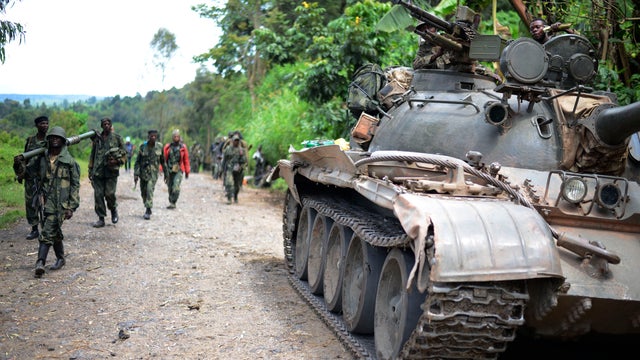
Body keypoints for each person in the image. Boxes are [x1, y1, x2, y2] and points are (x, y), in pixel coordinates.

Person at [25, 126, 80, 277]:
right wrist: (19, 164)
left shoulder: (69, 162)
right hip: (46, 203)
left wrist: (71, 207)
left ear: (63, 141)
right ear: (48, 140)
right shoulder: (41, 159)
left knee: (47, 231)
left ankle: (40, 263)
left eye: (58, 137)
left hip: (61, 205)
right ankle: (61, 258)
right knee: (53, 230)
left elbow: (75, 186)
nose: (54, 139)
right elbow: (27, 173)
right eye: (52, 137)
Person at [13, 115, 49, 240]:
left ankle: (47, 228)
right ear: (36, 126)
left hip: (46, 177)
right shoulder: (30, 140)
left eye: (46, 123)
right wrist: (20, 172)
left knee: (48, 202)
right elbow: (25, 158)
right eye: (42, 123)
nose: (44, 125)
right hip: (31, 176)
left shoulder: (51, 140)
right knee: (31, 204)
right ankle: (34, 229)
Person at [88, 117, 126, 228]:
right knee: (98, 195)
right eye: (104, 124)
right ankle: (101, 218)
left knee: (109, 194)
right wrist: (90, 170)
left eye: (108, 124)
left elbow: (124, 155)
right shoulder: (97, 139)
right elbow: (93, 155)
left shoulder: (117, 138)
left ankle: (113, 209)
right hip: (98, 172)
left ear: (111, 125)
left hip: (111, 172)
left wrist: (117, 161)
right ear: (101, 126)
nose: (106, 126)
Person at [134, 130, 168, 220]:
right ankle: (147, 205)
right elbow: (137, 162)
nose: (153, 137)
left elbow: (163, 161)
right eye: (151, 136)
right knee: (143, 192)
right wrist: (136, 174)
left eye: (155, 136)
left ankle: (148, 209)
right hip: (143, 173)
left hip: (153, 174)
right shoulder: (142, 147)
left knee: (149, 189)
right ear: (148, 137)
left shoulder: (159, 147)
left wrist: (166, 174)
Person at [163, 129, 190, 209]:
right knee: (170, 187)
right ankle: (171, 201)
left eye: (177, 136)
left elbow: (186, 160)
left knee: (176, 187)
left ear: (179, 137)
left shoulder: (183, 147)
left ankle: (173, 202)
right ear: (172, 137)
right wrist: (162, 168)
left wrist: (187, 171)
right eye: (175, 136)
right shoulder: (168, 147)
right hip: (169, 169)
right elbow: (163, 159)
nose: (176, 138)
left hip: (179, 170)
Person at [221, 134, 247, 204]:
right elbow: (224, 160)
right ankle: (229, 198)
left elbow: (244, 160)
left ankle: (235, 196)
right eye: (235, 141)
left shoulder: (241, 150)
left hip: (238, 170)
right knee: (229, 183)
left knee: (237, 185)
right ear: (232, 141)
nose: (236, 142)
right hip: (230, 168)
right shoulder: (228, 149)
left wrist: (241, 166)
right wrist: (222, 169)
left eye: (237, 141)